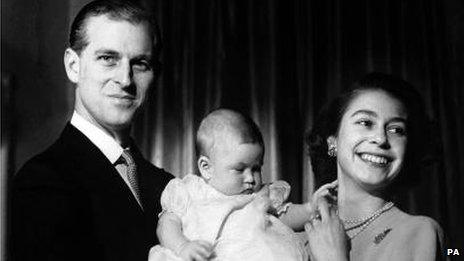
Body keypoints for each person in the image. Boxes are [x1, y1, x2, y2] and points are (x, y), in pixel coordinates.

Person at [9, 1, 172, 261]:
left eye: (140, 63)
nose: (126, 80)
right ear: (74, 66)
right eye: (108, 59)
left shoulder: (167, 185)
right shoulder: (42, 181)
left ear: (156, 74)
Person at [149, 109, 334, 261]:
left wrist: (310, 209)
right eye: (239, 169)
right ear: (206, 168)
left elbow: (285, 216)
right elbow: (166, 225)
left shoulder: (260, 194)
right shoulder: (189, 191)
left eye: (256, 168)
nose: (251, 178)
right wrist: (183, 246)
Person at [305, 72, 447, 261]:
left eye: (396, 130)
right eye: (366, 122)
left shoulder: (421, 233)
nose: (381, 139)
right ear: (333, 141)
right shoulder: (298, 235)